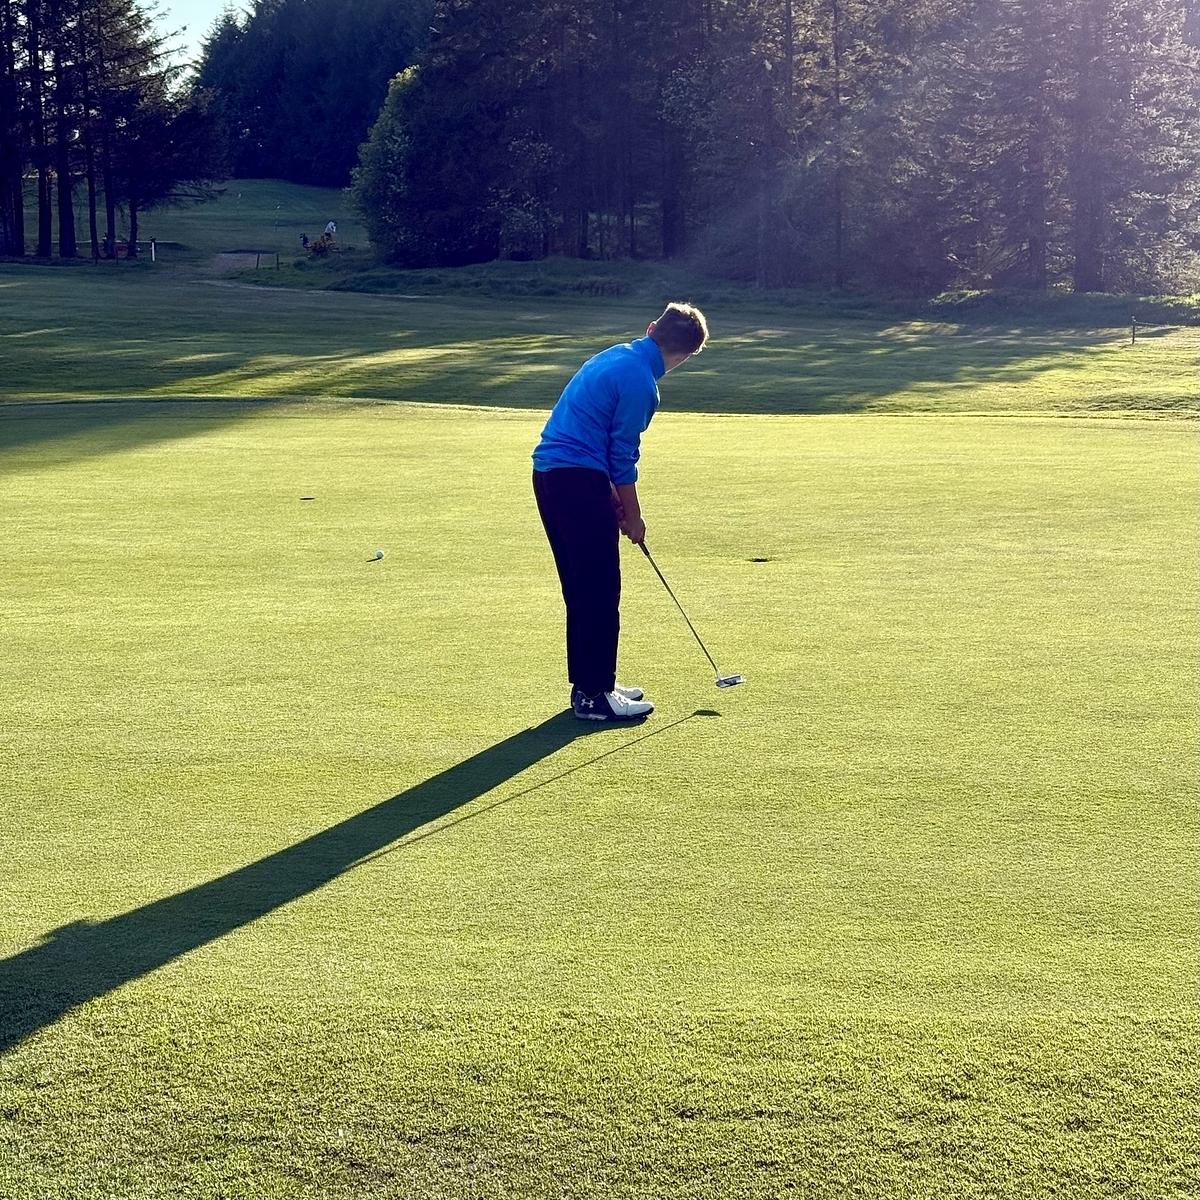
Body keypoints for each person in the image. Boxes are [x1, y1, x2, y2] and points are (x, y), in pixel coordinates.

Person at [532, 303, 709, 722]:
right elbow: (622, 457)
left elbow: (600, 445)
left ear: (651, 329)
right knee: (598, 590)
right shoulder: (642, 383)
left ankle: (594, 684)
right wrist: (633, 515)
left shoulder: (615, 355)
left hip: (552, 477)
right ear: (685, 356)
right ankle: (595, 695)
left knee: (582, 588)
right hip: (576, 481)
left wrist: (608, 495)